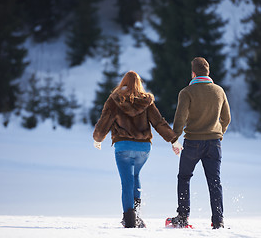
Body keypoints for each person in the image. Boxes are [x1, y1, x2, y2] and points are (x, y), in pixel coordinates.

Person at [93, 71, 178, 228]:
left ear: (123, 82)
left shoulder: (114, 99)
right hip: (143, 148)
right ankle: (136, 217)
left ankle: (130, 221)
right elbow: (159, 122)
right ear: (139, 84)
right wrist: (173, 139)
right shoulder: (147, 101)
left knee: (127, 182)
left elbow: (104, 121)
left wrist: (98, 138)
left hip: (123, 147)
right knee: (135, 175)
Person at [170, 57, 231, 229]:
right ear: (208, 72)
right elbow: (227, 118)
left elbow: (180, 119)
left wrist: (175, 139)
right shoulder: (219, 91)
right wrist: (219, 133)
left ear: (193, 73)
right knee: (214, 181)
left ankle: (183, 217)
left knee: (184, 177)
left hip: (192, 143)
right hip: (214, 144)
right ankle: (218, 220)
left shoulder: (187, 92)